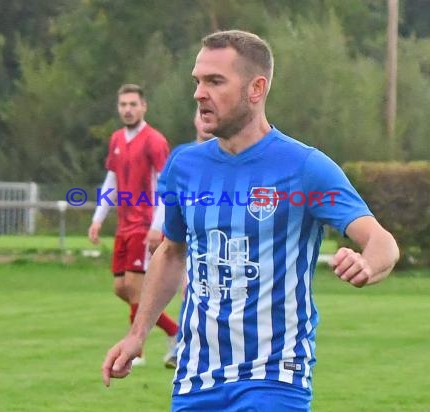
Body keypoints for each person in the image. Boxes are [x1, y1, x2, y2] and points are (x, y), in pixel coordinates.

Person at [101, 31, 399, 411]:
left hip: (274, 375)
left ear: (256, 89)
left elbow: (382, 242)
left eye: (215, 81)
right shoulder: (185, 166)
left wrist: (367, 264)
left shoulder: (305, 168)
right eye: (197, 81)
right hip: (197, 376)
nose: (199, 93)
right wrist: (137, 333)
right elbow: (172, 253)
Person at [88, 84, 179, 367]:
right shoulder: (116, 139)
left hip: (144, 224)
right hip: (124, 226)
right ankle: (176, 331)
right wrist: (98, 218)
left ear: (143, 107)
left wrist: (157, 225)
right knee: (121, 288)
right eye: (123, 105)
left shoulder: (154, 141)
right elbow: (112, 181)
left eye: (132, 104)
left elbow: (166, 186)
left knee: (134, 285)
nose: (127, 109)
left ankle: (136, 351)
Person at [149, 110, 215, 369]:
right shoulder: (182, 156)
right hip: (186, 238)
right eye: (199, 113)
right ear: (194, 118)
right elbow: (167, 197)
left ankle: (195, 346)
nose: (203, 118)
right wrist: (157, 228)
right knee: (191, 288)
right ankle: (183, 347)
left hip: (216, 238)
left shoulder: (230, 155)